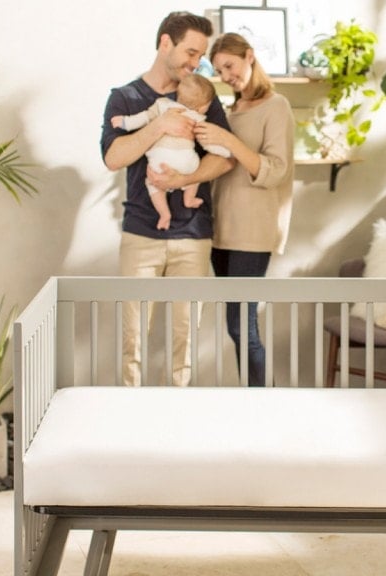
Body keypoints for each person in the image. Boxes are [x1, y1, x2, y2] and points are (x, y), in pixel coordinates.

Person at [149, 32, 294, 387]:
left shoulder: (277, 106)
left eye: (230, 66)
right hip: (221, 229)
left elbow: (276, 170)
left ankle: (264, 402)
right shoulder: (230, 111)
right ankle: (256, 398)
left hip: (253, 231)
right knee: (236, 326)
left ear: (249, 56)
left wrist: (228, 140)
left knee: (242, 326)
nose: (226, 76)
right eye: (219, 71)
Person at [101, 12, 233, 387]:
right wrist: (159, 124)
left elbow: (225, 157)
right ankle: (131, 408)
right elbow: (114, 158)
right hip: (141, 234)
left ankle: (179, 411)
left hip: (192, 235)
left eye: (200, 56)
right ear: (165, 43)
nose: (196, 63)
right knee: (133, 337)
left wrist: (184, 179)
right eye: (191, 53)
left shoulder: (202, 96)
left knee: (185, 337)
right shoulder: (126, 97)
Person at [111, 74, 231, 230]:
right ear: (202, 107)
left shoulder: (162, 105)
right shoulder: (197, 118)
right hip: (186, 161)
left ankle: (164, 214)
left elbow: (144, 118)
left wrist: (125, 122)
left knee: (152, 184)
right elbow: (206, 141)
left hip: (159, 161)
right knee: (196, 173)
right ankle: (189, 198)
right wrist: (223, 151)